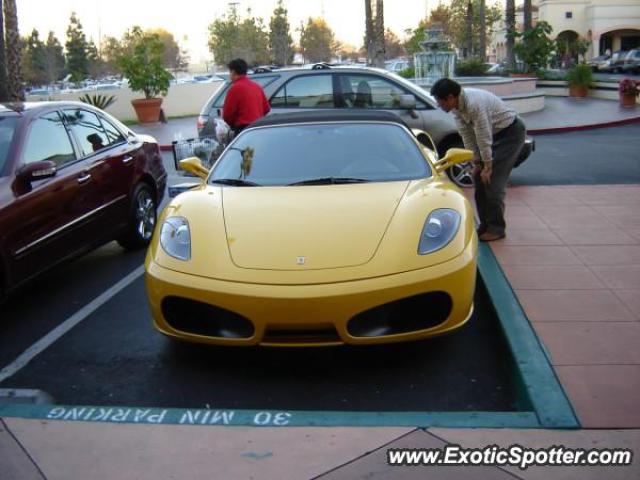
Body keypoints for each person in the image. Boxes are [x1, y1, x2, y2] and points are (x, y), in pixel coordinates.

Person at [430, 78, 526, 242]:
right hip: (495, 135)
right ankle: (485, 225)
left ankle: (497, 229)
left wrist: (487, 167)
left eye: (440, 101)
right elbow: (468, 136)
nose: (439, 105)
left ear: (451, 97)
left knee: (493, 180)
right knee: (477, 177)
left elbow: (483, 137)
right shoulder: (457, 108)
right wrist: (477, 163)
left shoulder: (474, 105)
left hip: (511, 133)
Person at [222, 58, 271, 136]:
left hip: (243, 131)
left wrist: (233, 125)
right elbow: (266, 109)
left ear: (233, 72)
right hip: (258, 128)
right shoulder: (256, 86)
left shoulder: (234, 88)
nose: (229, 75)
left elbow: (227, 115)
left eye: (230, 72)